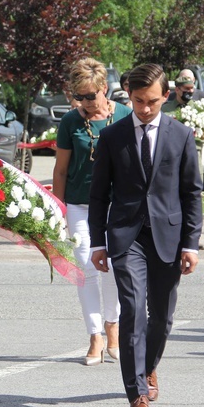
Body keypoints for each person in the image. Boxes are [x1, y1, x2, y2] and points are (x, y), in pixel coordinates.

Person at [89, 63, 202, 407]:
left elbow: (192, 193)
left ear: (166, 97)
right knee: (134, 310)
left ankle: (149, 365)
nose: (145, 108)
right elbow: (98, 195)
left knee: (162, 318)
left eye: (152, 101)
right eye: (138, 101)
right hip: (125, 237)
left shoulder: (181, 135)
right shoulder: (112, 136)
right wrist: (97, 243)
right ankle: (137, 394)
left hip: (168, 237)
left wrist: (191, 243)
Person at [52, 58, 129, 366]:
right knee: (85, 265)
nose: (83, 103)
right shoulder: (71, 122)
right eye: (78, 96)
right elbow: (60, 170)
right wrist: (57, 210)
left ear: (104, 89)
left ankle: (113, 326)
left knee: (111, 265)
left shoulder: (123, 116)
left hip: (116, 204)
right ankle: (94, 335)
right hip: (78, 204)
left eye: (89, 96)